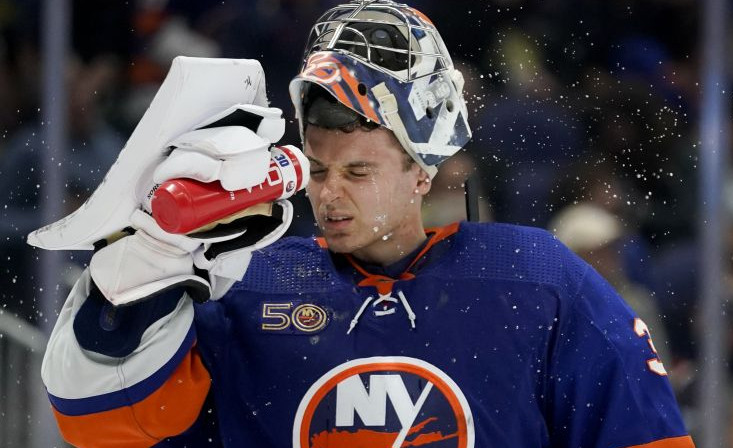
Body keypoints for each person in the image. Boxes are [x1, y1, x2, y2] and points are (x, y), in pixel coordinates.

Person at [40, 1, 696, 447]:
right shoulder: (245, 283)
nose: (329, 197)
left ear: (424, 170)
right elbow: (101, 425)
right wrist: (143, 271)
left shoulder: (538, 279)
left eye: (357, 173)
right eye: (318, 172)